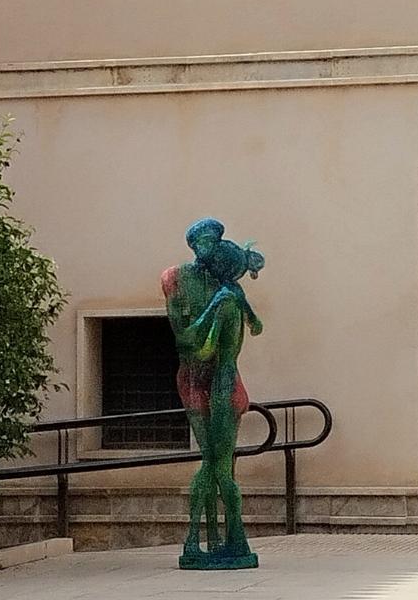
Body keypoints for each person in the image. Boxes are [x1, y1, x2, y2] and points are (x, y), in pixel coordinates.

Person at [161, 217, 264, 570]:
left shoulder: (229, 298)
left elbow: (203, 348)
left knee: (216, 465)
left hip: (221, 387)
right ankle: (223, 538)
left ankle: (208, 539)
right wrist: (216, 308)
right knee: (219, 467)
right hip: (201, 384)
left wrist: (217, 309)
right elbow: (187, 341)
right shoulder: (187, 282)